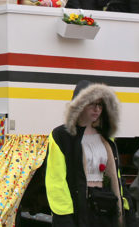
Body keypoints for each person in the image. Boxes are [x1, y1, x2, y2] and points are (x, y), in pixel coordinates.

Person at [45, 82, 125, 226]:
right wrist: (64, 217)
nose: (97, 109)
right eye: (91, 104)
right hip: (79, 210)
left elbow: (115, 176)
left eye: (100, 104)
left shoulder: (106, 137)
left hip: (104, 208)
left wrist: (124, 208)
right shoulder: (61, 136)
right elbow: (56, 181)